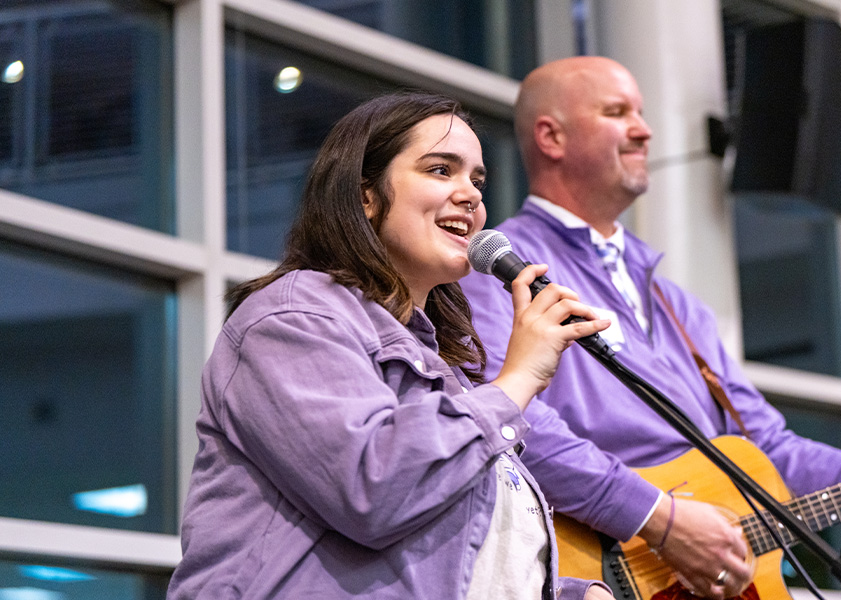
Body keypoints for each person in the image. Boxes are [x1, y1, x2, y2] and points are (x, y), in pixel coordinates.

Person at [460, 56, 841, 600]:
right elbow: (509, 419)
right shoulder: (501, 270)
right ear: (551, 136)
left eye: (643, 113)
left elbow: (770, 452)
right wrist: (658, 518)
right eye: (618, 112)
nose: (645, 130)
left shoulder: (679, 306)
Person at [166, 91, 617, 600]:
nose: (470, 194)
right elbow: (371, 489)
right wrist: (514, 385)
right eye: (441, 170)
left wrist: (569, 594)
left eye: (477, 179)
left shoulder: (442, 366)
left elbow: (451, 558)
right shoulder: (293, 316)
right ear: (365, 196)